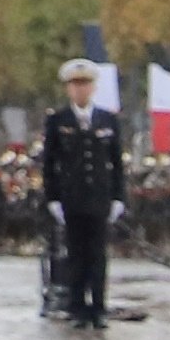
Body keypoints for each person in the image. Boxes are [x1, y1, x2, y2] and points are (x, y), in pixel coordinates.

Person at [35, 65, 125, 323]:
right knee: (74, 254)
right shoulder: (58, 120)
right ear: (68, 89)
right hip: (71, 198)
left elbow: (116, 162)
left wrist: (118, 197)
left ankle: (97, 307)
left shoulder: (107, 120)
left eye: (85, 84)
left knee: (97, 255)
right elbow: (50, 163)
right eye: (75, 85)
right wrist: (52, 198)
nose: (80, 89)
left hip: (99, 197)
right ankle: (77, 307)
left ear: (93, 87)